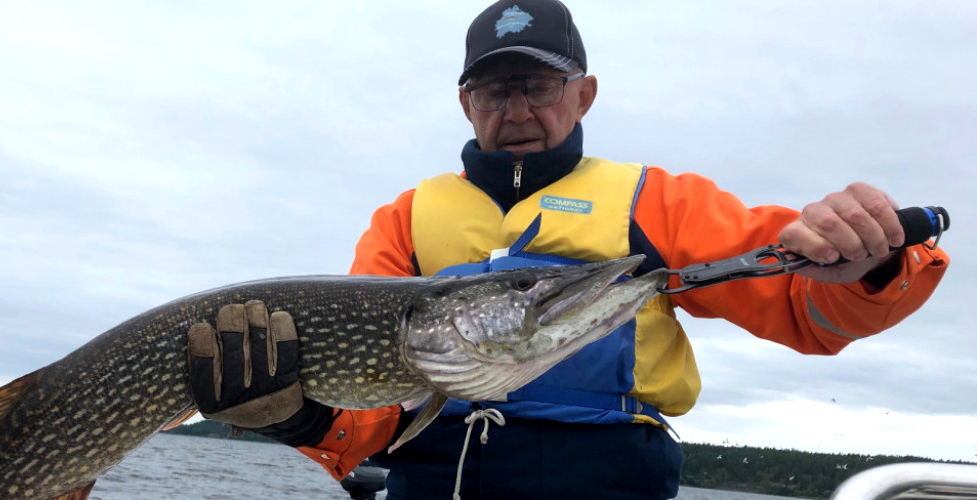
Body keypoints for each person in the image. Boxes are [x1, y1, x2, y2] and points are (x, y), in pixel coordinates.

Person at [185, 1, 951, 498]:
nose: (517, 109)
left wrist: (873, 265)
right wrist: (297, 420)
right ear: (467, 104)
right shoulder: (407, 218)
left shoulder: (658, 202)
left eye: (539, 86)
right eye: (496, 90)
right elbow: (375, 407)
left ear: (583, 94)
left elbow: (807, 309)